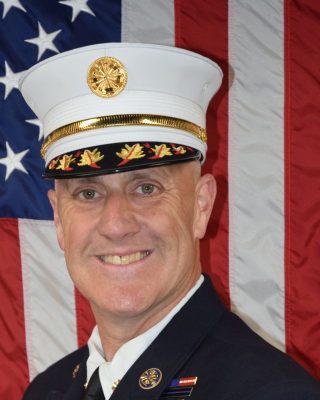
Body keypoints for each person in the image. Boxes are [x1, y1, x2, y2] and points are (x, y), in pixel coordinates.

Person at [20, 43, 320, 400]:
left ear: (201, 206)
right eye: (88, 193)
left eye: (146, 188)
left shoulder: (272, 392)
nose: (116, 225)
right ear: (58, 218)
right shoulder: (47, 390)